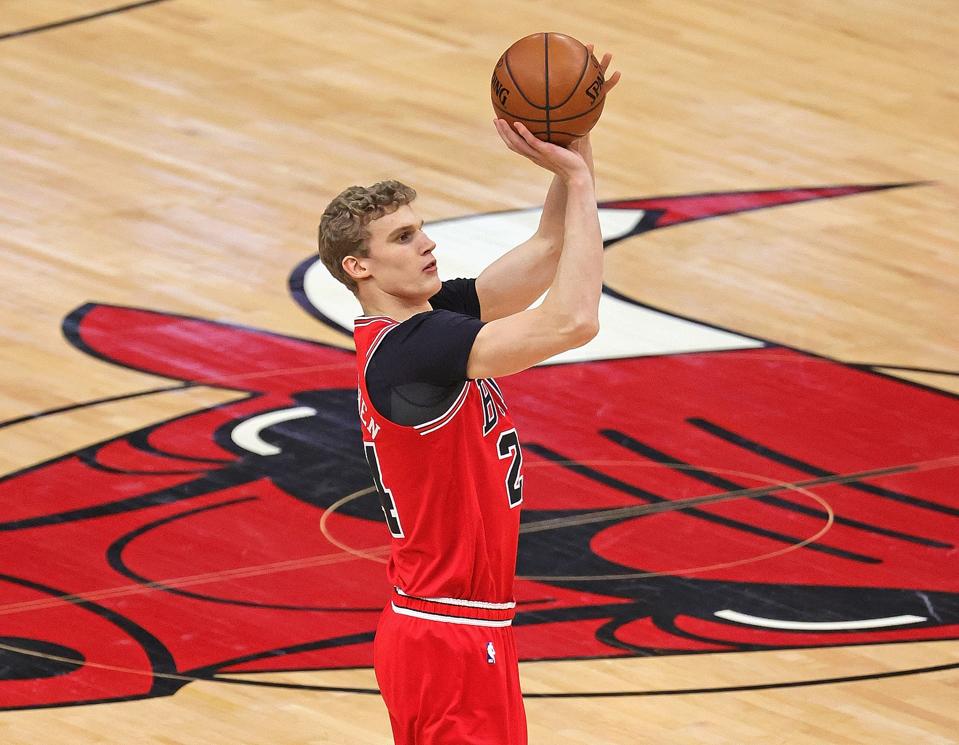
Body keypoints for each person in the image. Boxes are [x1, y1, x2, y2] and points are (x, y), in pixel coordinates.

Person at [316, 52, 619, 745]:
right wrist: (575, 179)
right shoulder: (415, 351)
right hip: (445, 635)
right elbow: (573, 320)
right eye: (403, 237)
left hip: (458, 627)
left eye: (420, 228)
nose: (427, 243)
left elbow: (550, 245)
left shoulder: (429, 322)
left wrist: (575, 134)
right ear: (359, 267)